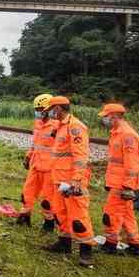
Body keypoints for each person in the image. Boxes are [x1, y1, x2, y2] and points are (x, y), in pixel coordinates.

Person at [42, 96, 96, 267]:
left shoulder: (75, 127)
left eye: (51, 109)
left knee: (78, 216)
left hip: (72, 180)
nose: (49, 113)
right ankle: (64, 243)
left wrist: (77, 179)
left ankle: (86, 250)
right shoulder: (60, 126)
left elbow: (81, 156)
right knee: (60, 213)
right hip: (59, 178)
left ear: (58, 108)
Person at [98, 103, 139, 256]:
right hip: (117, 182)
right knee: (127, 215)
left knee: (111, 214)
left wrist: (128, 187)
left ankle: (110, 244)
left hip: (122, 184)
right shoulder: (117, 132)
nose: (104, 119)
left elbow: (132, 163)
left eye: (105, 116)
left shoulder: (127, 135)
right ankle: (135, 245)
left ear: (114, 116)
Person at [17, 94, 58, 231]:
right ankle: (24, 216)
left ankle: (49, 222)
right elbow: (35, 144)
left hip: (50, 168)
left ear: (48, 109)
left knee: (47, 198)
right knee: (27, 193)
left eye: (40, 108)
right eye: (36, 108)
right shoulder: (38, 124)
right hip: (35, 164)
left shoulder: (57, 126)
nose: (38, 111)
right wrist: (28, 157)